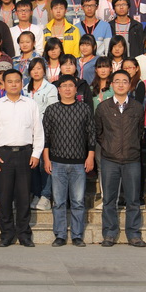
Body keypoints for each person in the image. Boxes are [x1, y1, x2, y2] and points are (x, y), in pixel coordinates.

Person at [0, 69, 44, 247]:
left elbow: (38, 131)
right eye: (9, 81)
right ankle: (6, 234)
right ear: (3, 84)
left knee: (24, 196)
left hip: (26, 154)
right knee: (4, 197)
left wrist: (36, 153)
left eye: (17, 81)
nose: (13, 84)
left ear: (22, 83)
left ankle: (24, 234)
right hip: (3, 155)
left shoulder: (30, 104)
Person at [95, 70, 145, 247]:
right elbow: (99, 133)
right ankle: (109, 233)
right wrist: (110, 146)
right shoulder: (103, 108)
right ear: (111, 84)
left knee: (133, 200)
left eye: (125, 81)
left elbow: (140, 132)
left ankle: (134, 234)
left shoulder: (137, 107)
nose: (121, 84)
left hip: (132, 159)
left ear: (130, 85)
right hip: (110, 159)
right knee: (109, 199)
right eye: (117, 81)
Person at [43, 74, 95, 247]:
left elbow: (91, 135)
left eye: (70, 86)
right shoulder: (52, 110)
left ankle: (77, 235)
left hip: (79, 163)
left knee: (78, 201)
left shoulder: (84, 109)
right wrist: (46, 159)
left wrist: (90, 156)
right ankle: (60, 235)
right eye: (63, 86)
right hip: (57, 162)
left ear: (75, 89)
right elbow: (46, 137)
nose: (67, 89)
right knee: (58, 202)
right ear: (58, 90)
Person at [23, 57, 58, 211]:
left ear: (44, 70)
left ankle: (46, 196)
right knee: (33, 165)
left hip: (45, 131)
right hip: (27, 133)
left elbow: (52, 110)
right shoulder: (25, 89)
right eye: (33, 69)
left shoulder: (50, 88)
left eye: (39, 68)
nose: (36, 71)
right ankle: (36, 193)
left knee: (45, 164)